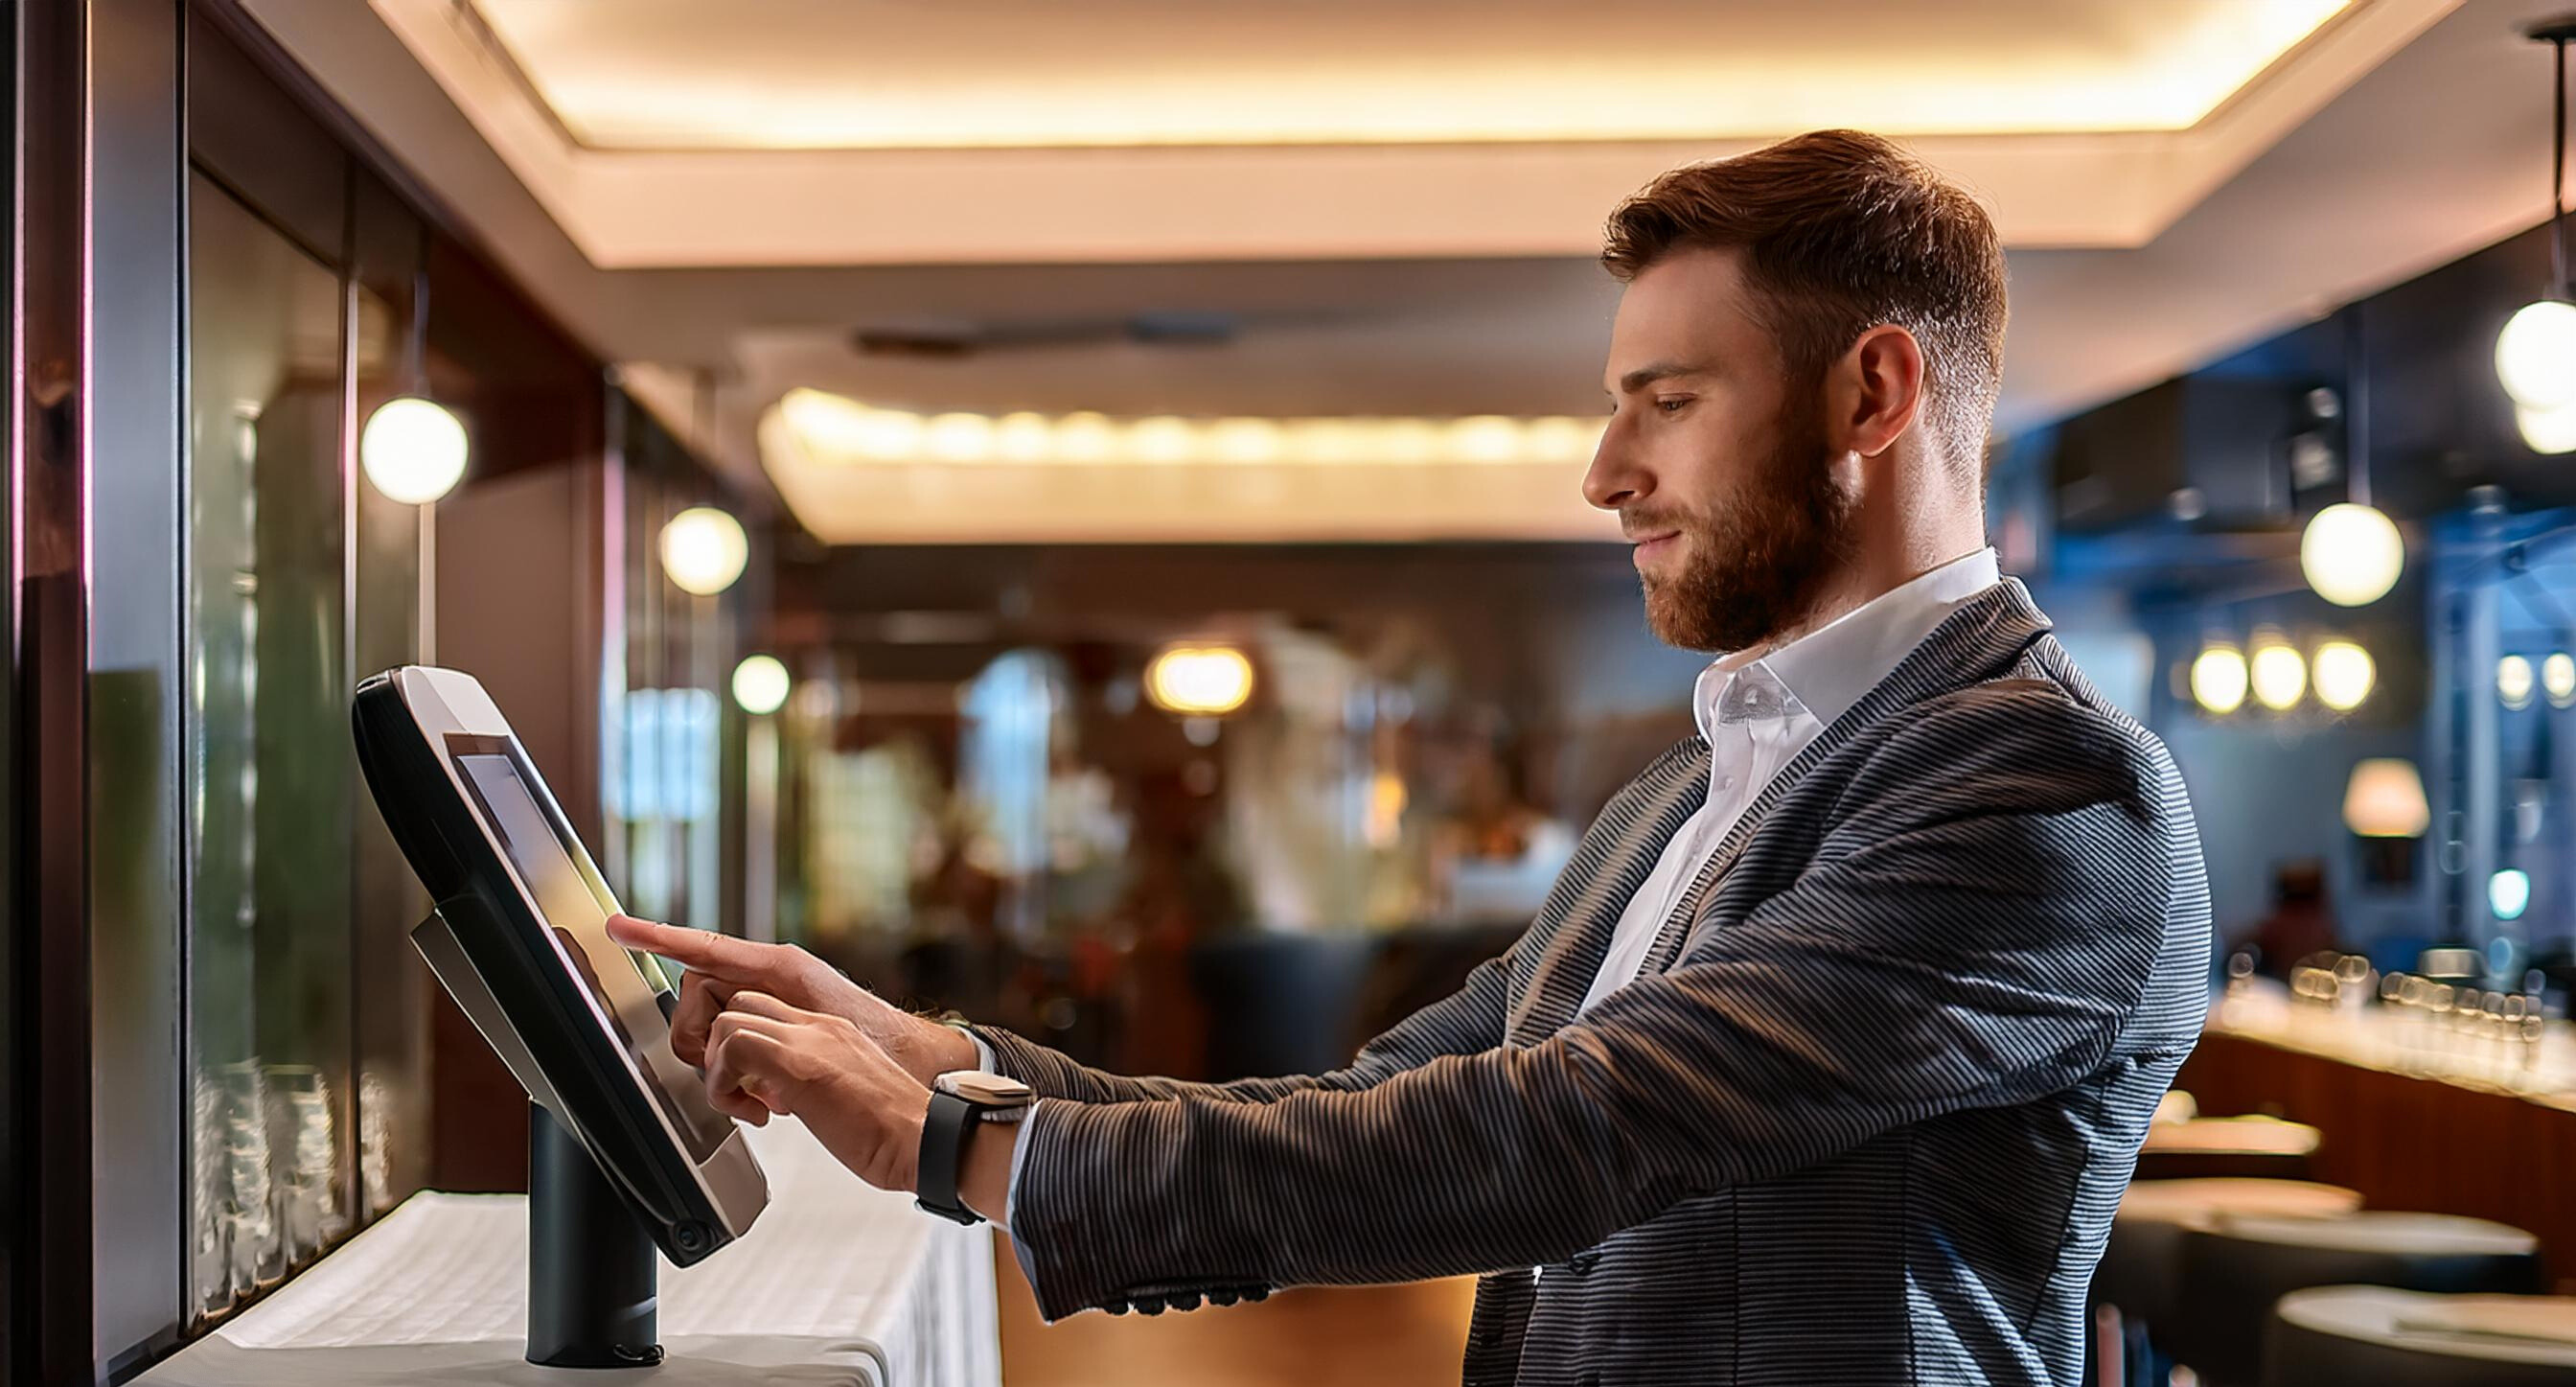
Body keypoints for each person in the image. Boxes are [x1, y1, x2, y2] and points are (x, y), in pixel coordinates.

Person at [609, 129, 2210, 1387]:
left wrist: (956, 1148)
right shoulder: (1695, 785)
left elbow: (1563, 1137)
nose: (1606, 473)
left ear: (1873, 391)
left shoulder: (2045, 790)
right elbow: (1381, 1103)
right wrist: (937, 1056)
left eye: (1667, 402)